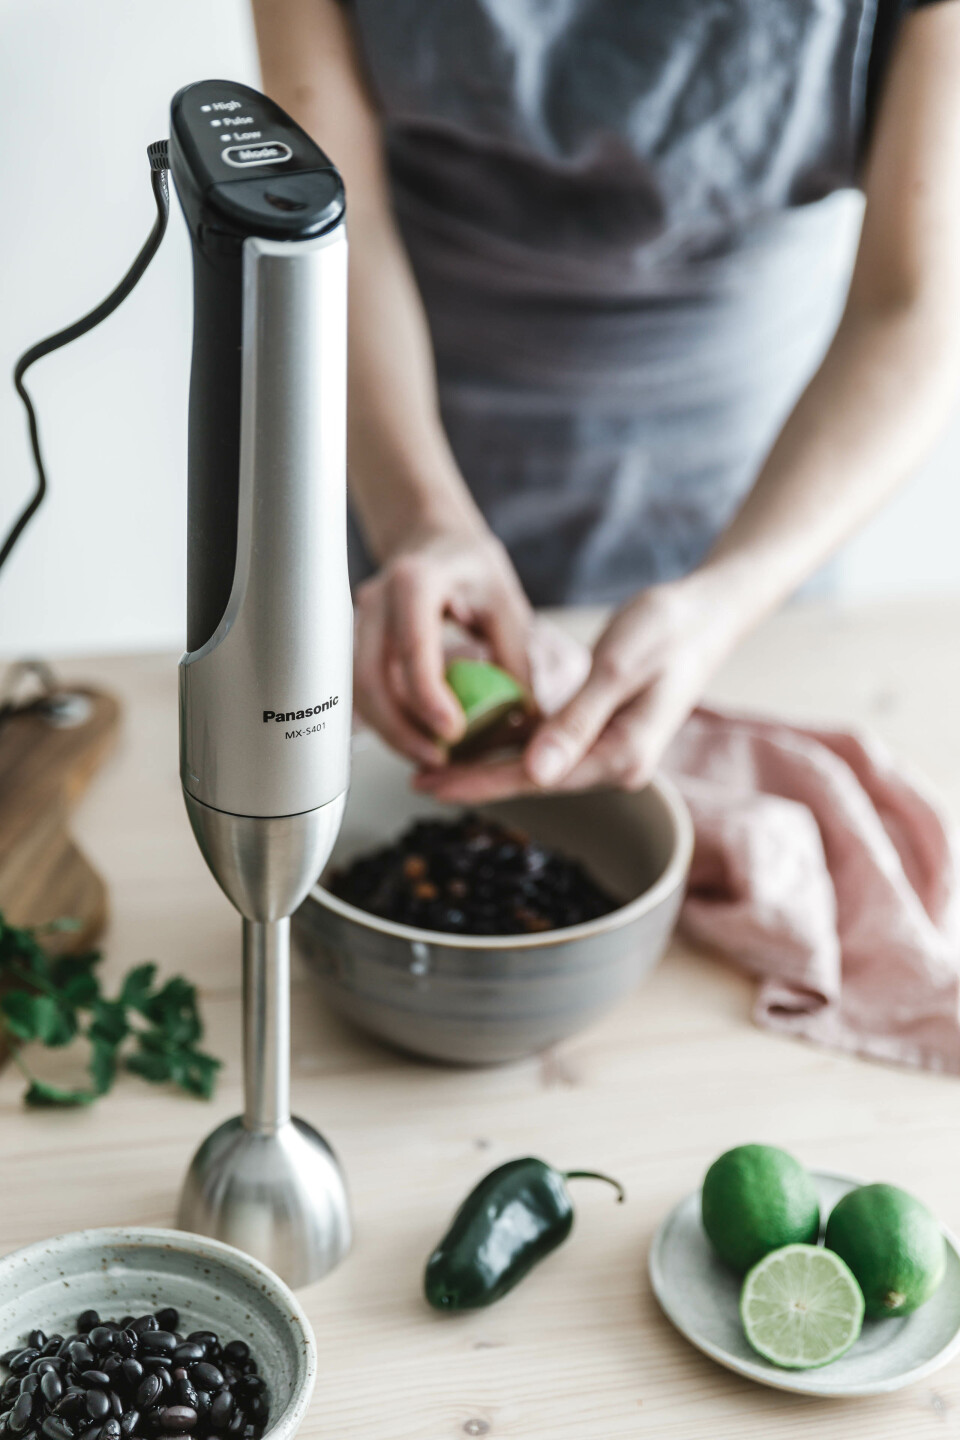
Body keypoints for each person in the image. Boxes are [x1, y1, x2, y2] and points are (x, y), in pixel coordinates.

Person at [252, 0, 960, 802]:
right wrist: (419, 518)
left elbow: (910, 306)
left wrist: (724, 598)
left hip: (760, 508)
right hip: (402, 458)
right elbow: (332, 224)